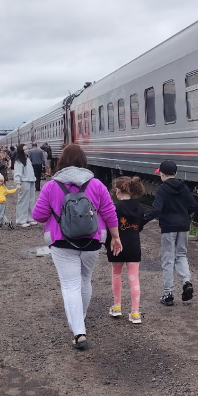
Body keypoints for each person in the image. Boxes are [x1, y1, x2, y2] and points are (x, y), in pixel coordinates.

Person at [32, 144, 121, 350]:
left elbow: (38, 215)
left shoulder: (51, 186)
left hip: (61, 242)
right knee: (85, 279)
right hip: (92, 240)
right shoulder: (97, 184)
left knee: (70, 284)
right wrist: (115, 237)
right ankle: (79, 316)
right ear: (84, 161)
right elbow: (109, 212)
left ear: (62, 161)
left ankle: (79, 331)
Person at [143, 160, 198, 306]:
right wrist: (185, 215)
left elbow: (156, 209)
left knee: (168, 259)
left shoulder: (162, 189)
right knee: (181, 255)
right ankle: (186, 281)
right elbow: (195, 206)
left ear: (162, 174)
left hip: (168, 228)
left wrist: (141, 222)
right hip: (183, 226)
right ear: (176, 173)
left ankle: (168, 294)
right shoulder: (183, 187)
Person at [105, 176, 147, 324]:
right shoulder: (139, 207)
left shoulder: (114, 208)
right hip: (134, 246)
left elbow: (109, 227)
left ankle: (117, 306)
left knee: (116, 273)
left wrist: (107, 243)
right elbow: (140, 226)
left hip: (116, 245)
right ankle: (135, 313)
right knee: (134, 277)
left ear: (119, 190)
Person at [12, 143, 38, 228]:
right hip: (24, 182)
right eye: (25, 149)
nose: (27, 150)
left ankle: (30, 218)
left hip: (30, 181)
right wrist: (18, 183)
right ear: (21, 151)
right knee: (23, 201)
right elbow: (17, 173)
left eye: (27, 149)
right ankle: (21, 220)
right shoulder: (19, 161)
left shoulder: (27, 159)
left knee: (31, 201)